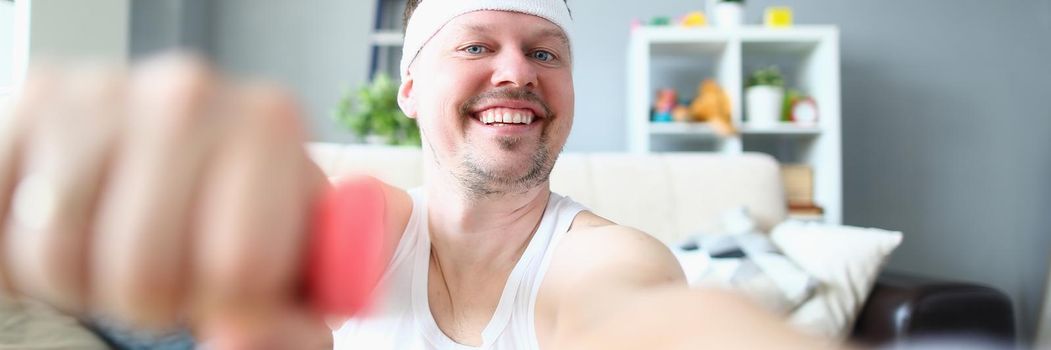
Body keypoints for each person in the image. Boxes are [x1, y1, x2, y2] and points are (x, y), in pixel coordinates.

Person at [0, 0, 836, 348]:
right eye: (477, 46)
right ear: (407, 87)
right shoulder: (352, 227)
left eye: (545, 53)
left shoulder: (608, 259)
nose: (517, 73)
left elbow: (647, 319)